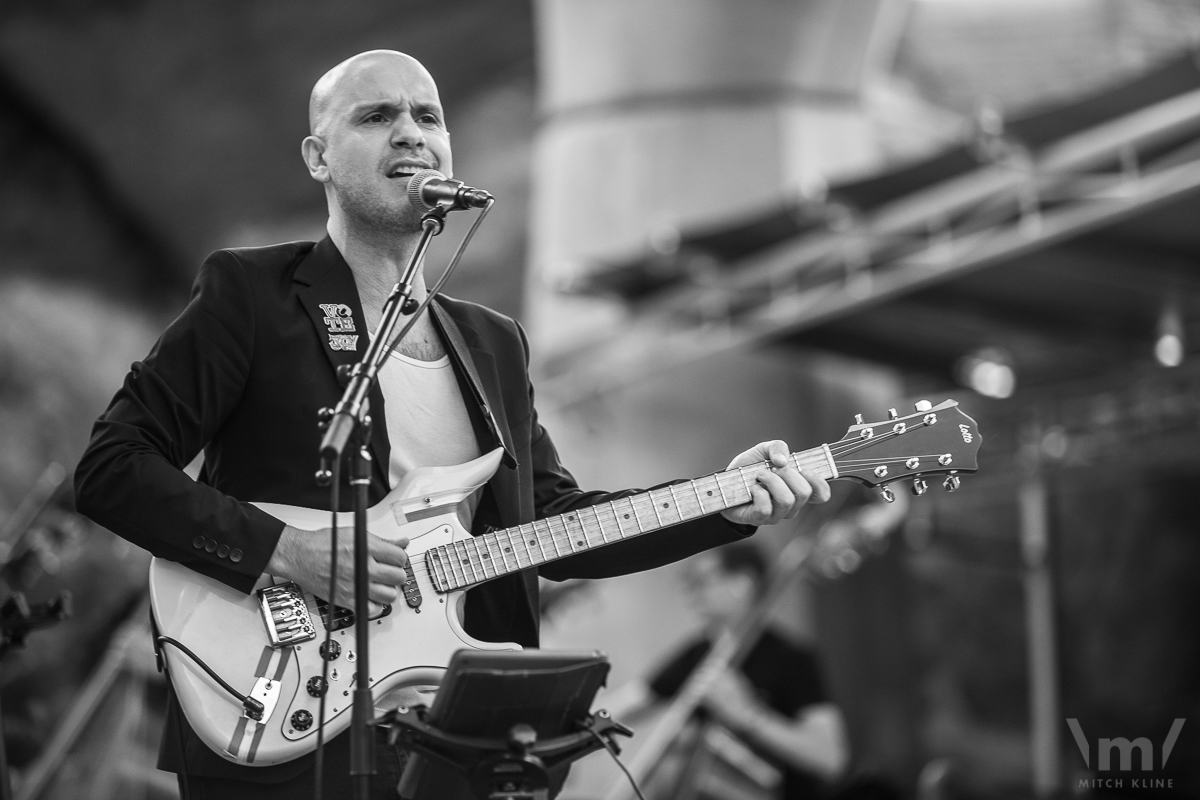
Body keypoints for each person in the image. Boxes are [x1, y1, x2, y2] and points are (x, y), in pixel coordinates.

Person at [72, 50, 831, 800]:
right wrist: (290, 553)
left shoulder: (494, 342)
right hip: (280, 696)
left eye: (427, 116)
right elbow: (112, 468)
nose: (410, 132)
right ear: (319, 157)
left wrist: (720, 502)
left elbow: (554, 524)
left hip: (447, 738)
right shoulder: (253, 295)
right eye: (377, 116)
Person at [605, 542, 848, 800]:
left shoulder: (791, 659)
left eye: (701, 580)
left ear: (741, 584)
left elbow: (830, 760)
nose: (691, 592)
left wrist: (748, 715)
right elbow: (625, 705)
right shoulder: (698, 654)